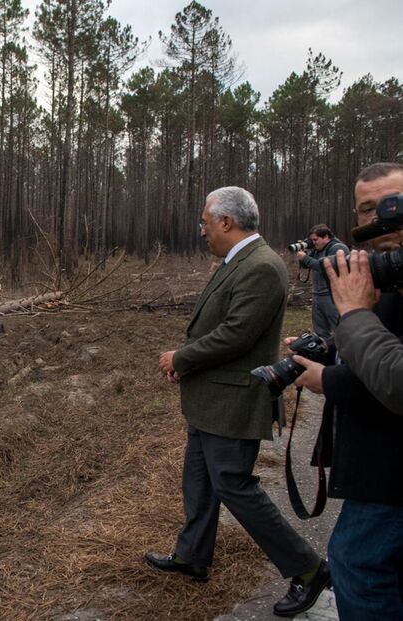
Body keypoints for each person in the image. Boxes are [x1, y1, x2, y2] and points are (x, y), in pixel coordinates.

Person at [148, 186, 328, 618]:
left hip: (233, 401)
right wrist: (187, 365)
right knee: (200, 481)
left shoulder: (261, 266)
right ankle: (193, 556)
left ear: (226, 221)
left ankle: (307, 568)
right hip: (210, 399)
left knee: (234, 486)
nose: (202, 231)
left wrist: (182, 357)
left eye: (205, 222)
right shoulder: (238, 261)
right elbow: (219, 326)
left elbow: (237, 333)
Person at [292, 162, 403, 619]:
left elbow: (392, 378)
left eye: (395, 204)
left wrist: (328, 376)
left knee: (358, 564)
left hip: (390, 473)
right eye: (369, 209)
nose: (384, 218)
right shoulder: (388, 276)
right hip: (379, 462)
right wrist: (333, 349)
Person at [295, 224, 349, 336]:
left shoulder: (337, 248)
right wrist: (303, 257)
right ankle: (324, 352)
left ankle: (346, 352)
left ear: (325, 237)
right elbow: (308, 265)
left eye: (316, 239)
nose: (313, 243)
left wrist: (305, 257)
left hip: (333, 296)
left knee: (341, 330)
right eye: (312, 240)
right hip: (318, 294)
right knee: (320, 332)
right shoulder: (318, 249)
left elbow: (323, 266)